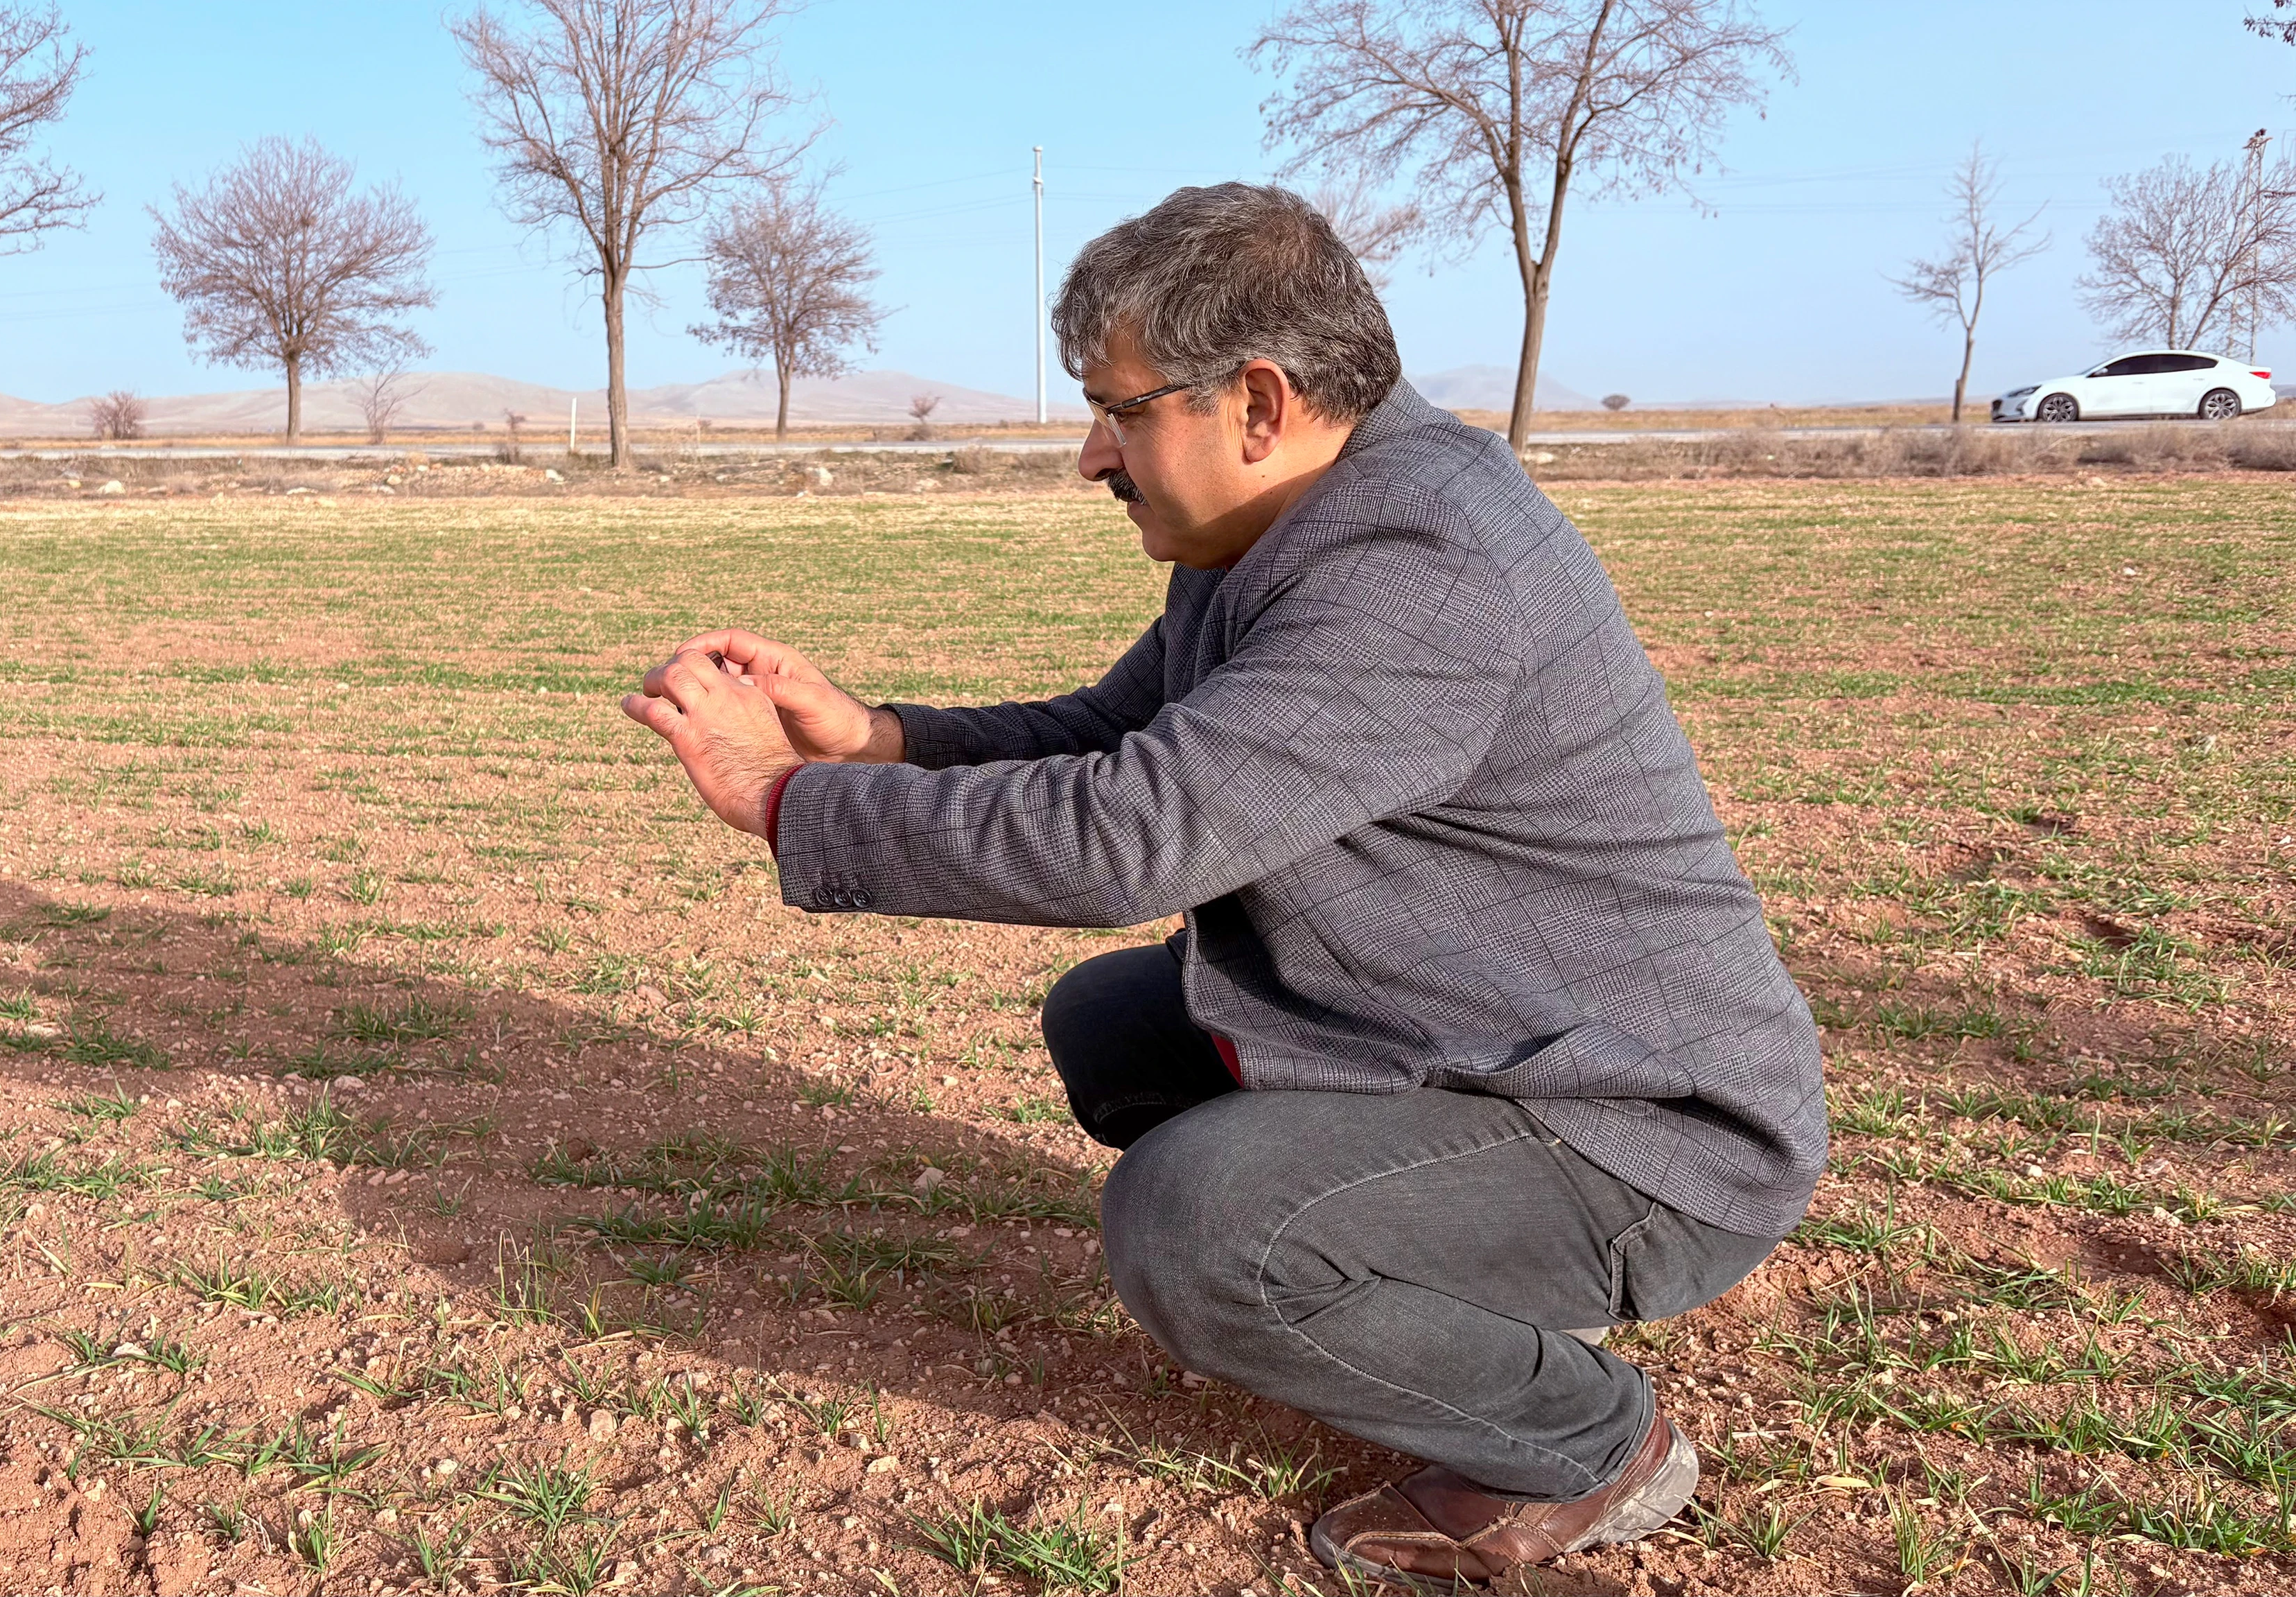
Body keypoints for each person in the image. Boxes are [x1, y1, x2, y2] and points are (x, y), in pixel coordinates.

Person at [618, 182, 1825, 1585]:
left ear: (1256, 401)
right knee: (1118, 1031)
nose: (1090, 457)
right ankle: (1423, 1278)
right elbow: (1120, 733)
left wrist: (783, 803)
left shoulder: (1416, 566)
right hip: (1490, 1034)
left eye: (1119, 410)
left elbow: (1125, 834)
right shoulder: (1297, 524)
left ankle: (1578, 1440)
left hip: (1644, 1130)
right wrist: (874, 740)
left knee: (1190, 1225)